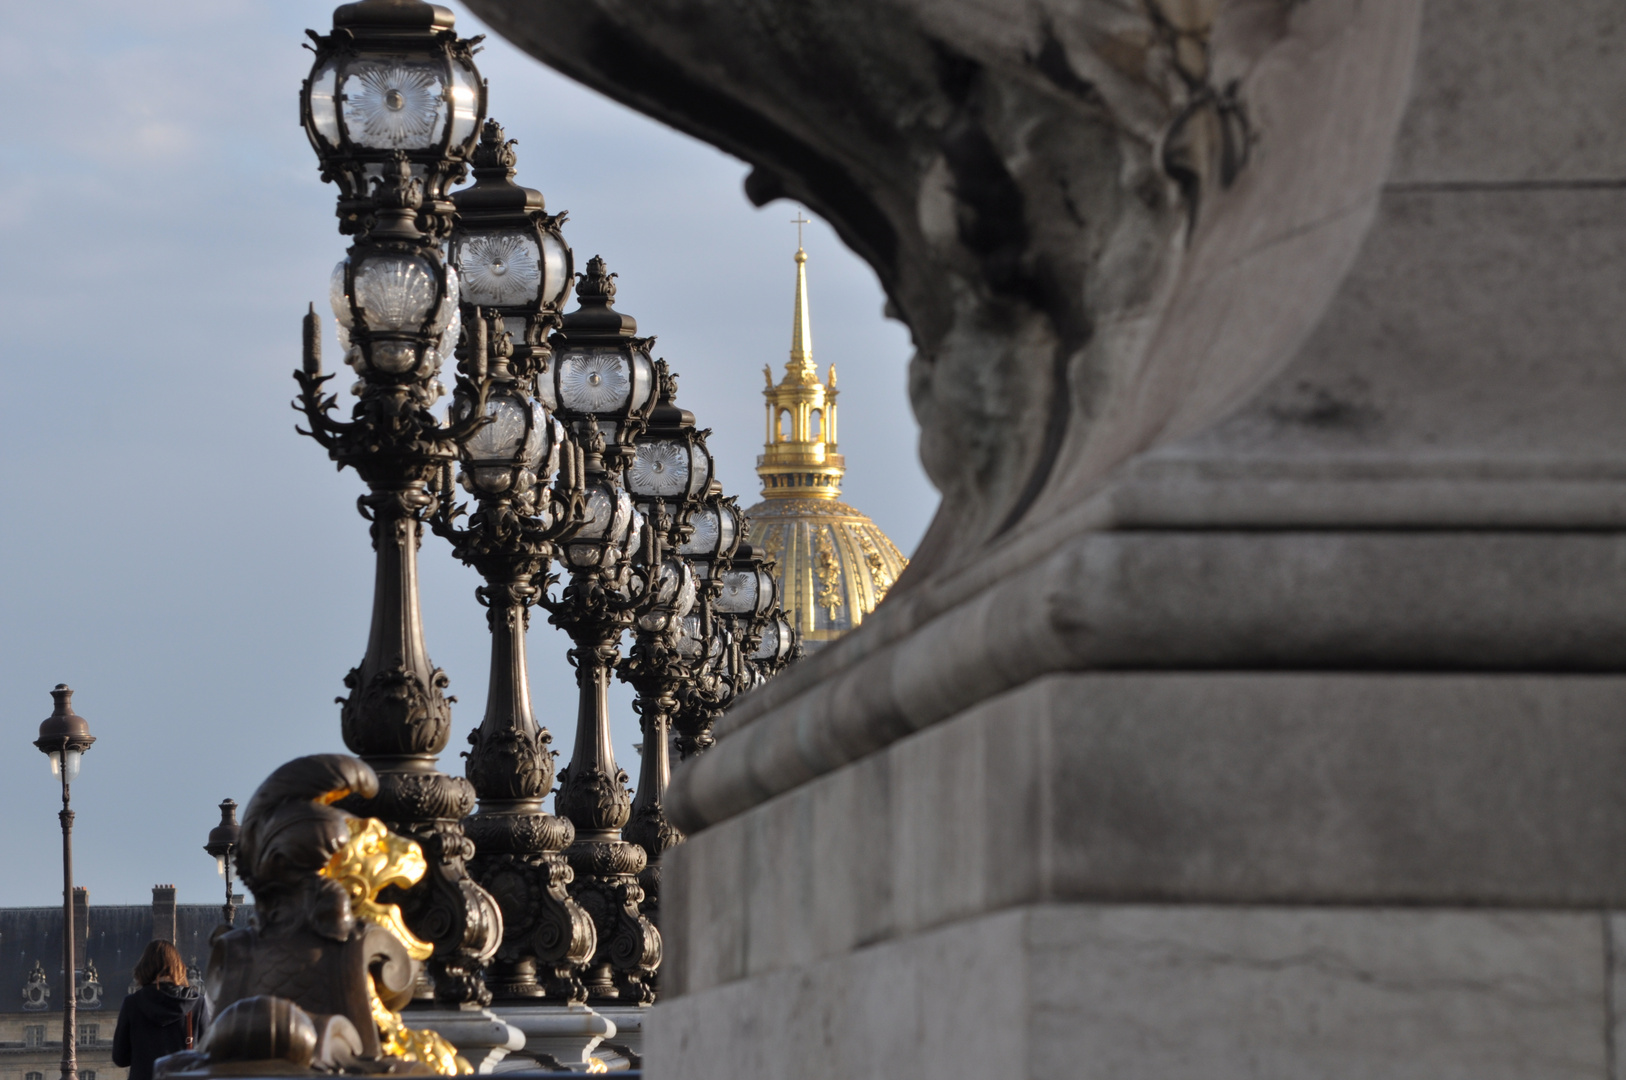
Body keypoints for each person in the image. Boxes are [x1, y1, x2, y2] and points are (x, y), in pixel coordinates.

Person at [111, 940, 211, 1080]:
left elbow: (120, 1058)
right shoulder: (196, 1003)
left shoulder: (132, 1003)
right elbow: (208, 1056)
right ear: (178, 967)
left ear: (144, 967)